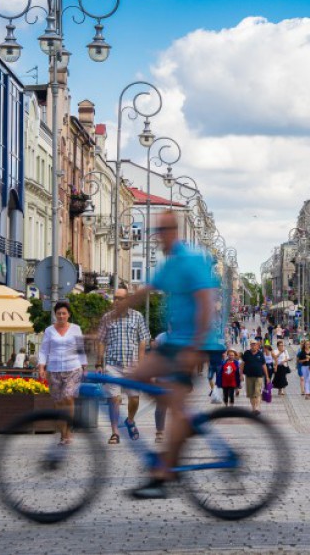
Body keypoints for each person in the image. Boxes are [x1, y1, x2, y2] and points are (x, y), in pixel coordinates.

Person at [103, 210, 219, 499]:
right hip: (174, 341)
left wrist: (196, 346)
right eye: (156, 232)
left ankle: (164, 472)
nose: (157, 238)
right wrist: (106, 320)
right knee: (135, 378)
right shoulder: (169, 264)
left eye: (162, 231)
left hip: (191, 341)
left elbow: (206, 302)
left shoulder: (191, 259)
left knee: (175, 404)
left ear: (173, 231)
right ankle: (177, 436)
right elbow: (143, 292)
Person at [97, 288, 150, 445]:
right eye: (115, 298)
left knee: (134, 398)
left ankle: (130, 420)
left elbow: (143, 340)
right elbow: (100, 340)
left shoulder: (137, 316)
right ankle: (115, 433)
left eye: (120, 298)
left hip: (132, 365)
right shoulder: (107, 318)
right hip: (113, 365)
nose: (117, 301)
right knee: (114, 399)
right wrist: (99, 363)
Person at [39, 301, 87, 446]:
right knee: (58, 403)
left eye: (64, 313)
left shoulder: (76, 329)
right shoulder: (49, 331)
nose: (61, 316)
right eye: (58, 313)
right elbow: (43, 350)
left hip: (73, 368)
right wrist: (41, 367)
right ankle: (63, 433)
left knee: (68, 397)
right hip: (54, 370)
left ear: (68, 315)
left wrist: (84, 367)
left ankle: (68, 430)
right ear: (55, 315)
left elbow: (80, 349)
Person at [241, 340, 270, 414]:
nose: (253, 346)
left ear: (257, 345)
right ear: (250, 345)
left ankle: (257, 407)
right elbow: (242, 364)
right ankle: (253, 408)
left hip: (259, 376)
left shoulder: (260, 354)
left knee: (257, 392)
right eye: (252, 344)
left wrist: (267, 377)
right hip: (249, 376)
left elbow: (264, 365)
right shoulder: (247, 353)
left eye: (255, 344)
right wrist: (240, 374)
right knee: (251, 394)